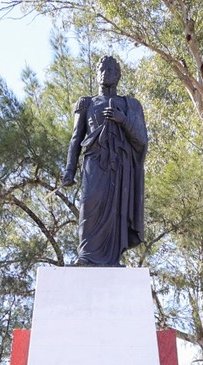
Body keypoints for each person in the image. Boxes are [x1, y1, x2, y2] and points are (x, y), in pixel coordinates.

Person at [60, 56, 148, 267]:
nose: (105, 73)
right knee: (89, 203)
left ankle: (112, 258)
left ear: (118, 75)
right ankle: (86, 256)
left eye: (110, 70)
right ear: (96, 73)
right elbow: (76, 138)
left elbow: (142, 139)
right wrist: (69, 171)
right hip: (94, 163)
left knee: (117, 212)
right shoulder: (87, 103)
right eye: (101, 69)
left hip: (120, 167)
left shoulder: (131, 104)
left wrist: (123, 120)